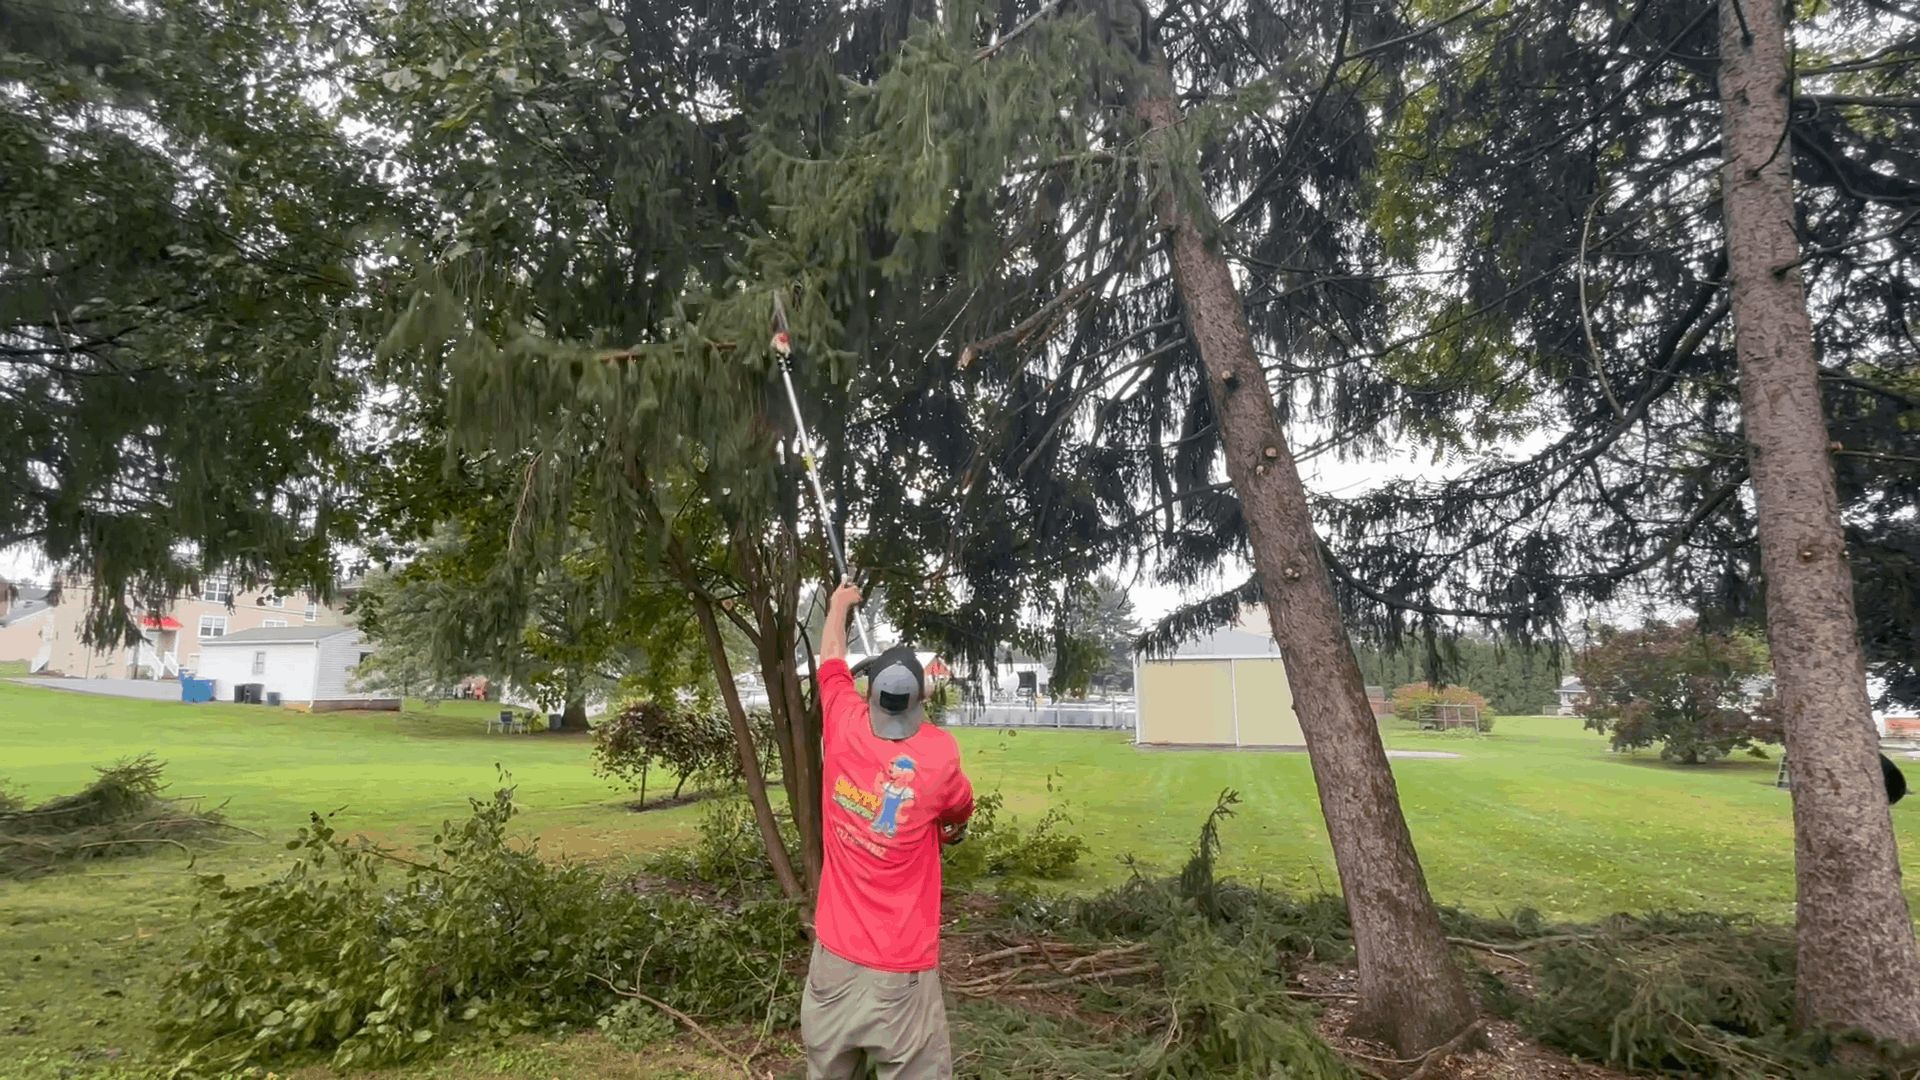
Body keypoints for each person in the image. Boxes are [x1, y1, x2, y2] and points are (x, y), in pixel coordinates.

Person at [803, 582, 974, 1080]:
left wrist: (838, 605)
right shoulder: (939, 754)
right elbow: (960, 809)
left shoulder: (842, 720)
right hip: (900, 973)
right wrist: (948, 829)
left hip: (832, 960)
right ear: (919, 699)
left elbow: (830, 658)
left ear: (869, 694)